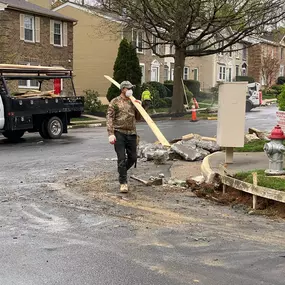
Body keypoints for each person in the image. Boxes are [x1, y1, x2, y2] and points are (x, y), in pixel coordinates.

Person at [106, 81, 142, 193]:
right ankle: (123, 183)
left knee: (133, 158)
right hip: (119, 133)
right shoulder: (115, 102)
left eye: (131, 88)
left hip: (131, 133)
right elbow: (109, 118)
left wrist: (139, 107)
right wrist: (111, 133)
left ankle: (122, 171)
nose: (131, 90)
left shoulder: (133, 102)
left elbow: (138, 118)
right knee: (121, 159)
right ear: (123, 89)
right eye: (129, 88)